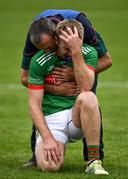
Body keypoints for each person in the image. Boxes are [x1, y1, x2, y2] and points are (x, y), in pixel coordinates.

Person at [21, 9, 112, 165]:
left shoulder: (84, 29)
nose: (46, 52)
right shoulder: (35, 36)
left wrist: (75, 72)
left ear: (57, 37)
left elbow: (106, 60)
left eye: (49, 48)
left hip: (84, 65)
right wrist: (55, 88)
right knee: (39, 100)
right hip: (51, 106)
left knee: (89, 98)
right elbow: (25, 78)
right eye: (42, 50)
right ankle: (38, 154)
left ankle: (95, 158)